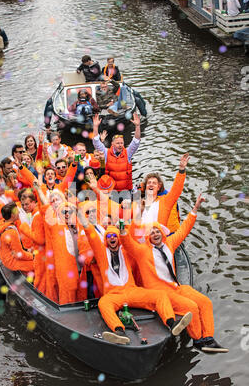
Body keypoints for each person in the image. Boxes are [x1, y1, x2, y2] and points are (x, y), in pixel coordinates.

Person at [120, 194, 229, 353]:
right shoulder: (142, 252)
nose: (156, 234)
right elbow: (128, 244)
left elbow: (184, 229)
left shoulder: (169, 244)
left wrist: (195, 208)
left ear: (162, 234)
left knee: (205, 302)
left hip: (176, 287)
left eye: (158, 231)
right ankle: (198, 340)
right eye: (152, 232)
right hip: (160, 292)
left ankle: (209, 338)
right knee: (190, 306)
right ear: (148, 237)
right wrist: (123, 230)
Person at [78, 211, 192, 345]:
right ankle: (119, 331)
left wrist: (137, 212)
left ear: (119, 238)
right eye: (109, 236)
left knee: (160, 295)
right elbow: (89, 232)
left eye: (115, 236)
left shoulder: (126, 250)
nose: (112, 238)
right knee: (103, 303)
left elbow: (130, 234)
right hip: (114, 294)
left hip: (132, 291)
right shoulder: (101, 252)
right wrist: (81, 216)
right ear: (105, 239)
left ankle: (172, 323)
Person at [92, 112, 141, 193]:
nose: (120, 145)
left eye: (121, 143)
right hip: (112, 191)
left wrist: (137, 126)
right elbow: (96, 142)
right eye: (118, 143)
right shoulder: (106, 153)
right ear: (112, 144)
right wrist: (95, 126)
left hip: (126, 191)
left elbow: (136, 142)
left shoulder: (128, 153)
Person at [0, 202, 34, 273]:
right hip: (12, 263)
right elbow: (19, 254)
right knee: (38, 264)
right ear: (12, 215)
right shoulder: (11, 232)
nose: (19, 212)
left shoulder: (2, 223)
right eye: (17, 211)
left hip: (5, 257)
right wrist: (33, 256)